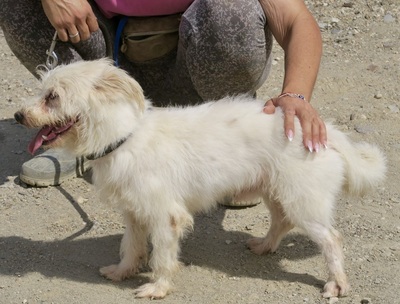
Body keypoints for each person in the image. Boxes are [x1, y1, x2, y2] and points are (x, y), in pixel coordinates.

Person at [0, 0, 326, 205]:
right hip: (110, 72)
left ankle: (231, 141)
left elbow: (296, 20)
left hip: (196, 73)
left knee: (231, 9)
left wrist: (295, 95)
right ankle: (79, 134)